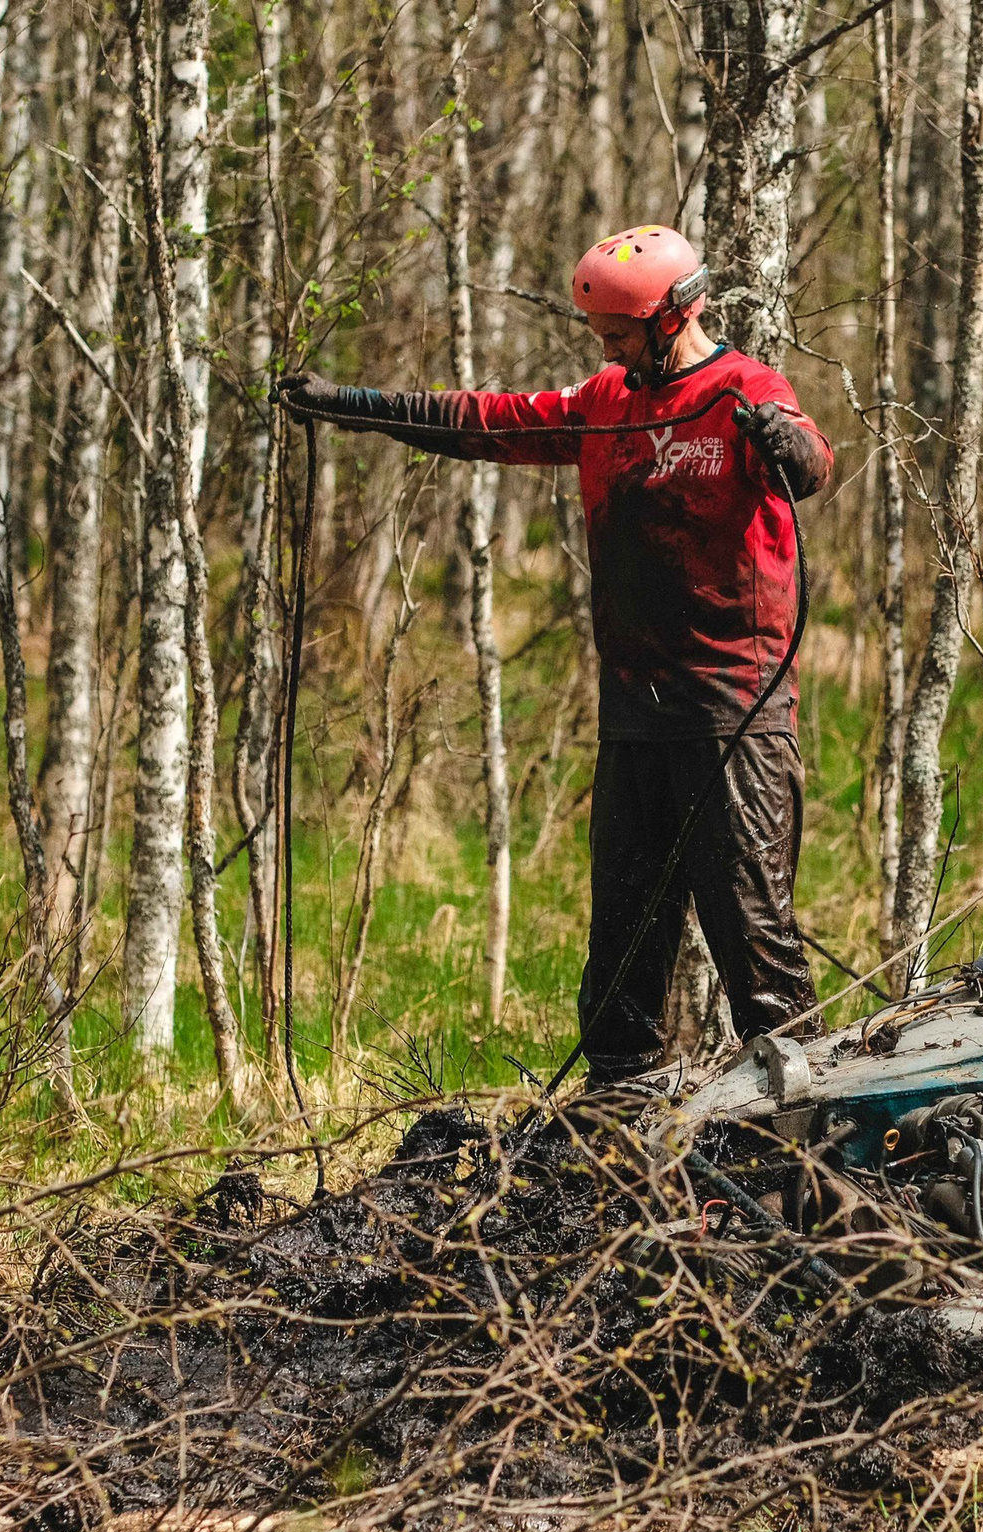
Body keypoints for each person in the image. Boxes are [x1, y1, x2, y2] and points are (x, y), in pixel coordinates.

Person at [277, 226, 835, 1086]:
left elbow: (812, 463)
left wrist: (786, 445)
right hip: (633, 720)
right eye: (600, 337)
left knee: (757, 950)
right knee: (620, 949)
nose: (606, 350)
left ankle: (818, 1123)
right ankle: (617, 1121)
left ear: (674, 314)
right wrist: (350, 404)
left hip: (735, 718)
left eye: (618, 333)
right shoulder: (603, 402)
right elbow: (481, 422)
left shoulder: (744, 389)